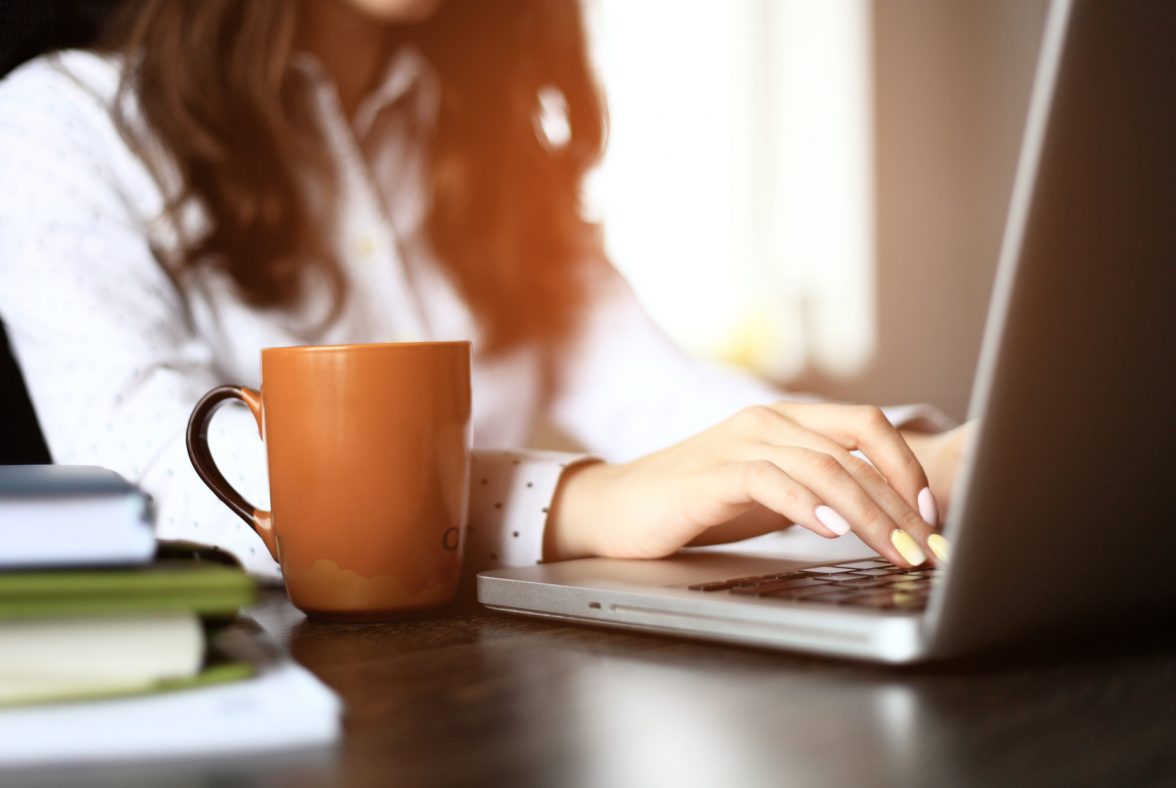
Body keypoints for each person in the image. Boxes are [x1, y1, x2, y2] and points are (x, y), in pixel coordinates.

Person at [0, 0, 968, 583]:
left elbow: (656, 397)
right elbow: (150, 475)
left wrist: (929, 463)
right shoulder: (60, 128)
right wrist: (583, 503)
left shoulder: (483, 140)